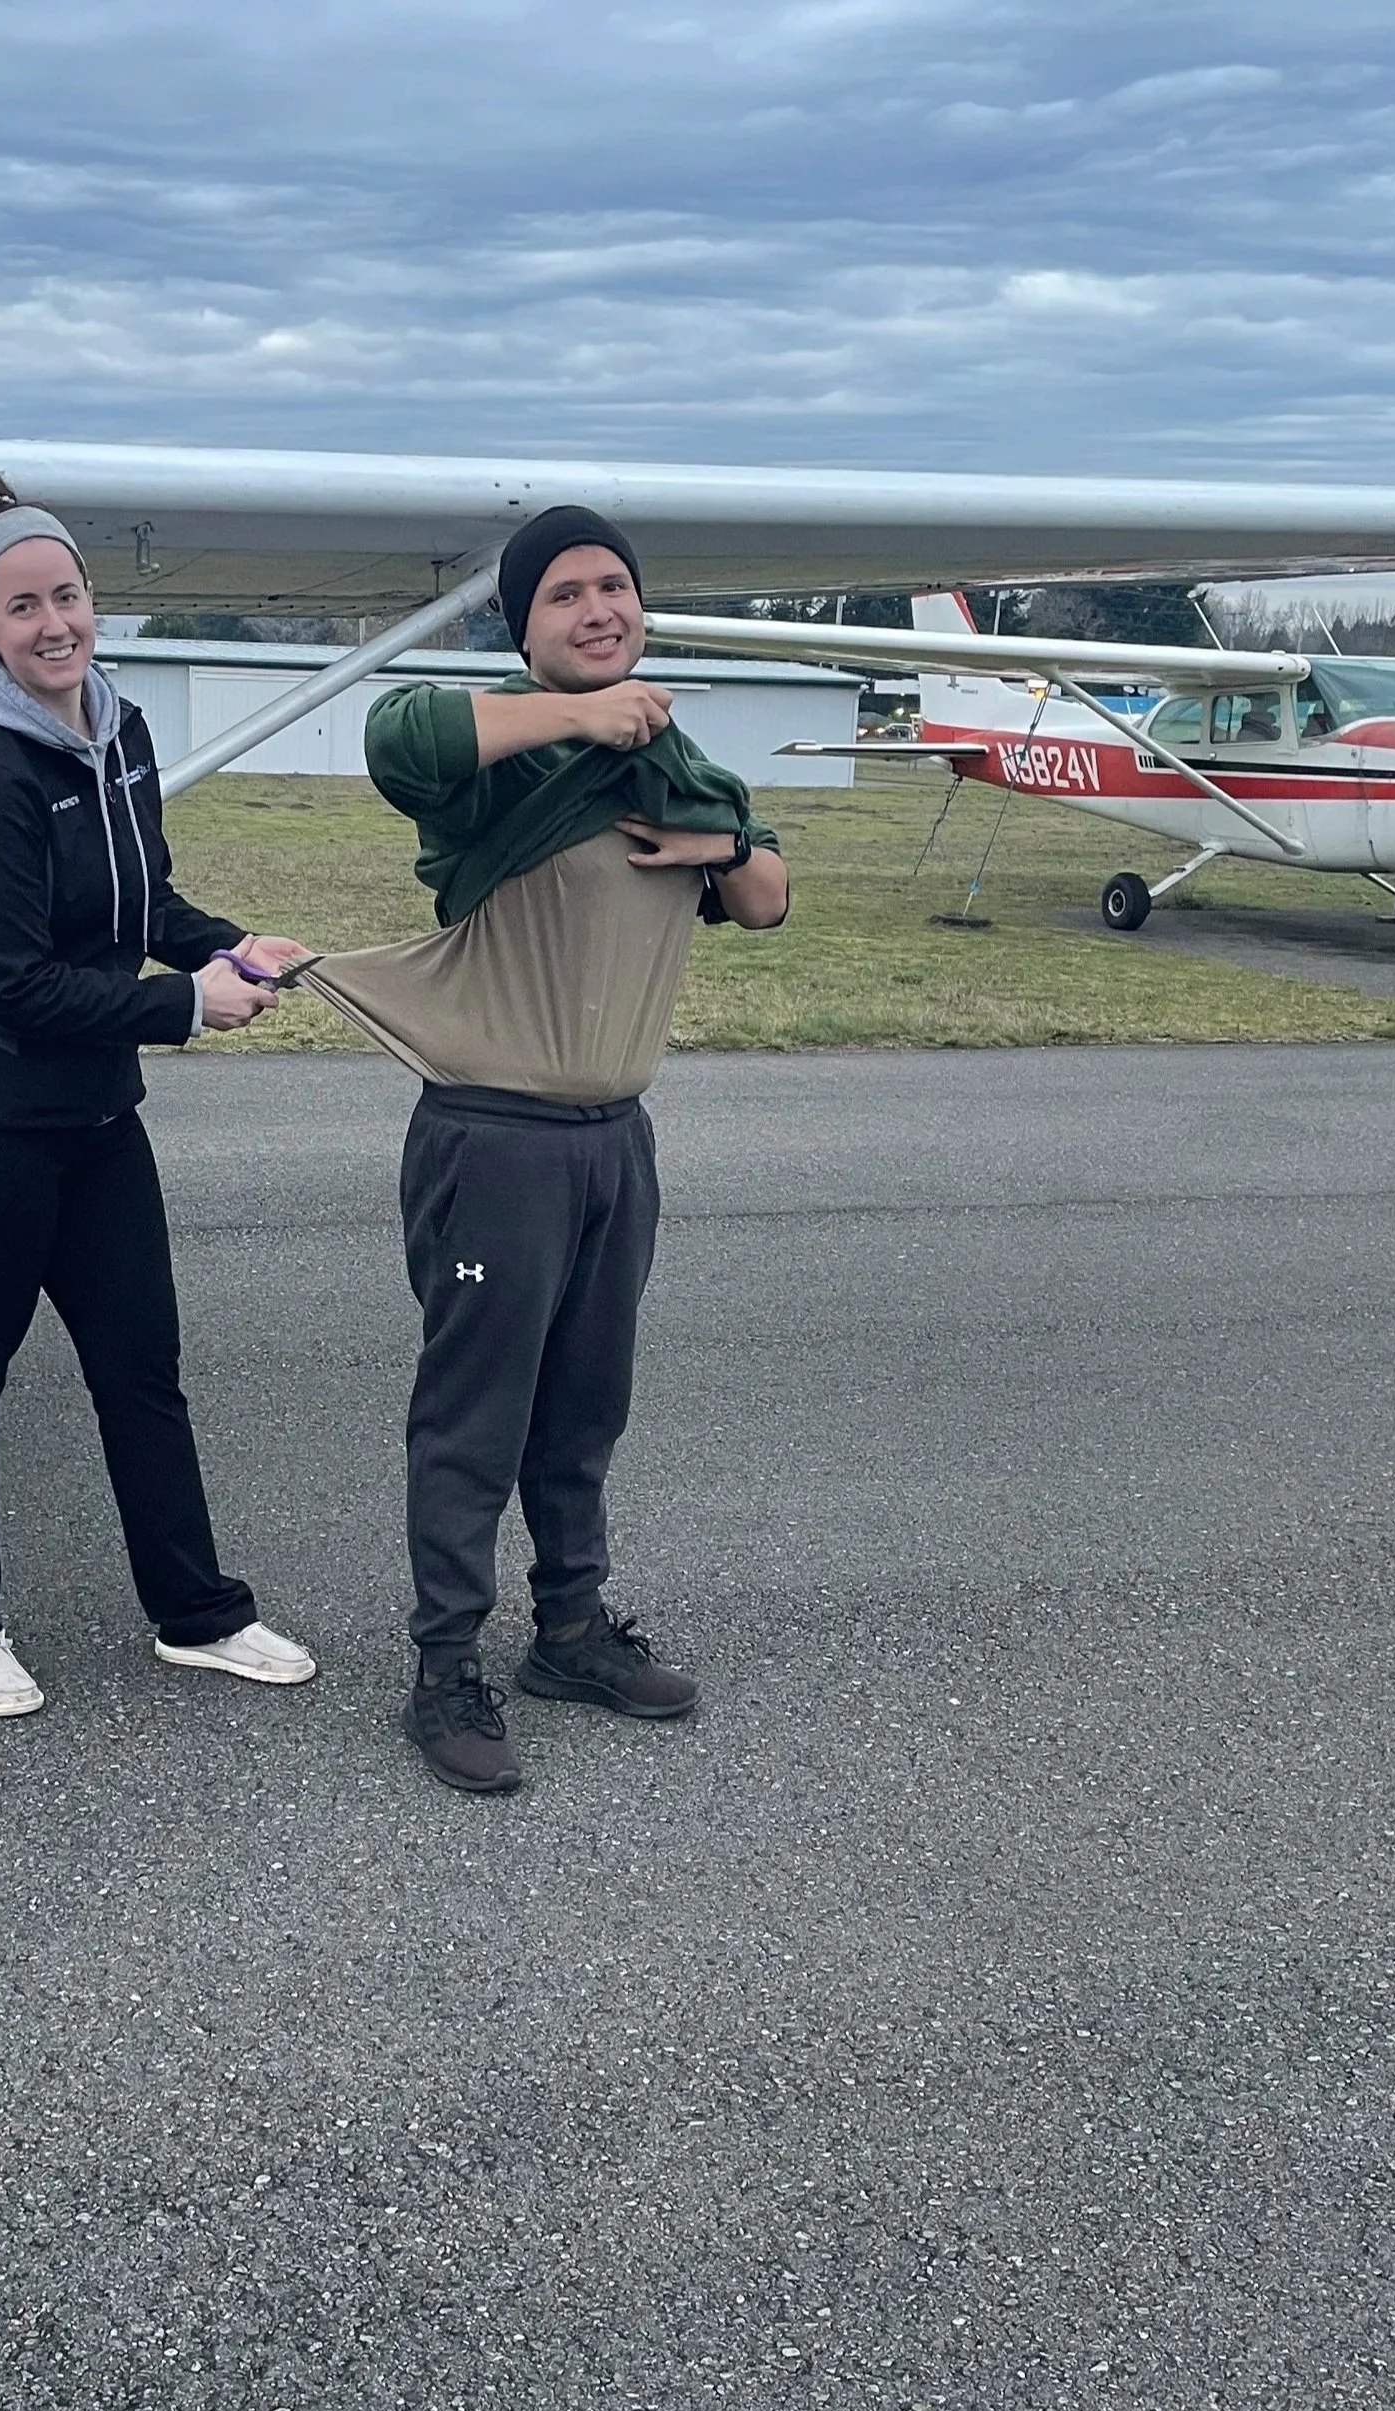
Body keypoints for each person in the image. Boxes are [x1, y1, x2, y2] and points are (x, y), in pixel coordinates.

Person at [302, 506, 789, 1793]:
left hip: (613, 1143)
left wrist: (722, 844)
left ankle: (569, 1631)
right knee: (475, 1418)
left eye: (614, 587)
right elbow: (394, 736)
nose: (597, 609)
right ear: (524, 628)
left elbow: (769, 896)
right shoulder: (498, 757)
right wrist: (585, 716)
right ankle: (445, 1666)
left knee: (583, 1407)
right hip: (493, 1138)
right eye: (564, 593)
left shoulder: (675, 759)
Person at [0, 469, 316, 1719]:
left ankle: (196, 1614)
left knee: (141, 1369)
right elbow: (14, 987)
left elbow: (144, 908)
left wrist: (228, 948)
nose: (52, 623)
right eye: (21, 606)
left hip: (91, 1123)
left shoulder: (117, 734)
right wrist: (185, 1008)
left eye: (66, 595)